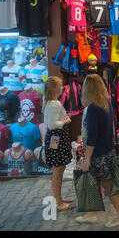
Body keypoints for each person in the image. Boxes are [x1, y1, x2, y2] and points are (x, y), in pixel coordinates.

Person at [75, 74, 119, 228]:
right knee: (96, 183)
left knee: (108, 185)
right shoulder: (106, 103)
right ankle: (92, 213)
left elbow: (92, 137)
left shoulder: (93, 108)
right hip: (107, 149)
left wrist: (87, 159)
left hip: (99, 153)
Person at [43, 76, 74, 211]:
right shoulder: (54, 104)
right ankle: (57, 202)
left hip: (55, 137)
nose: (62, 88)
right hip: (56, 137)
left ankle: (59, 198)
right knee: (57, 169)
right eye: (60, 85)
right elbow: (52, 124)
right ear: (55, 88)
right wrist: (66, 121)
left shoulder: (50, 102)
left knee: (58, 168)